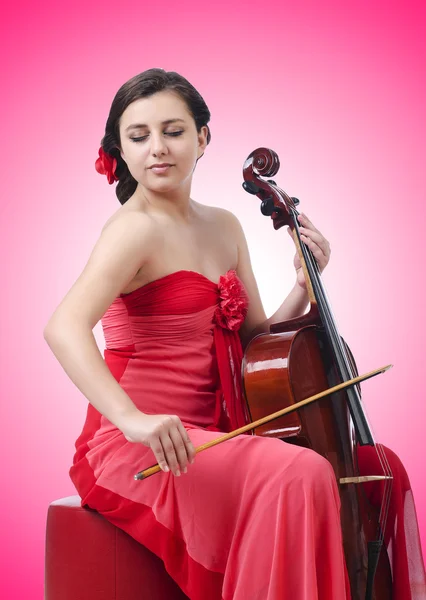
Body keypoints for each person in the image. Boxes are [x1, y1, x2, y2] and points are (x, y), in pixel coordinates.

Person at [43, 68, 425, 600]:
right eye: (139, 136)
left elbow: (255, 342)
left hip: (222, 432)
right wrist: (132, 420)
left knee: (378, 466)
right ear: (120, 152)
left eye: (174, 131)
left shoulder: (225, 225)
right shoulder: (134, 228)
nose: (158, 148)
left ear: (203, 138)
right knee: (299, 474)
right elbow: (63, 326)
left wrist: (304, 282)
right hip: (145, 446)